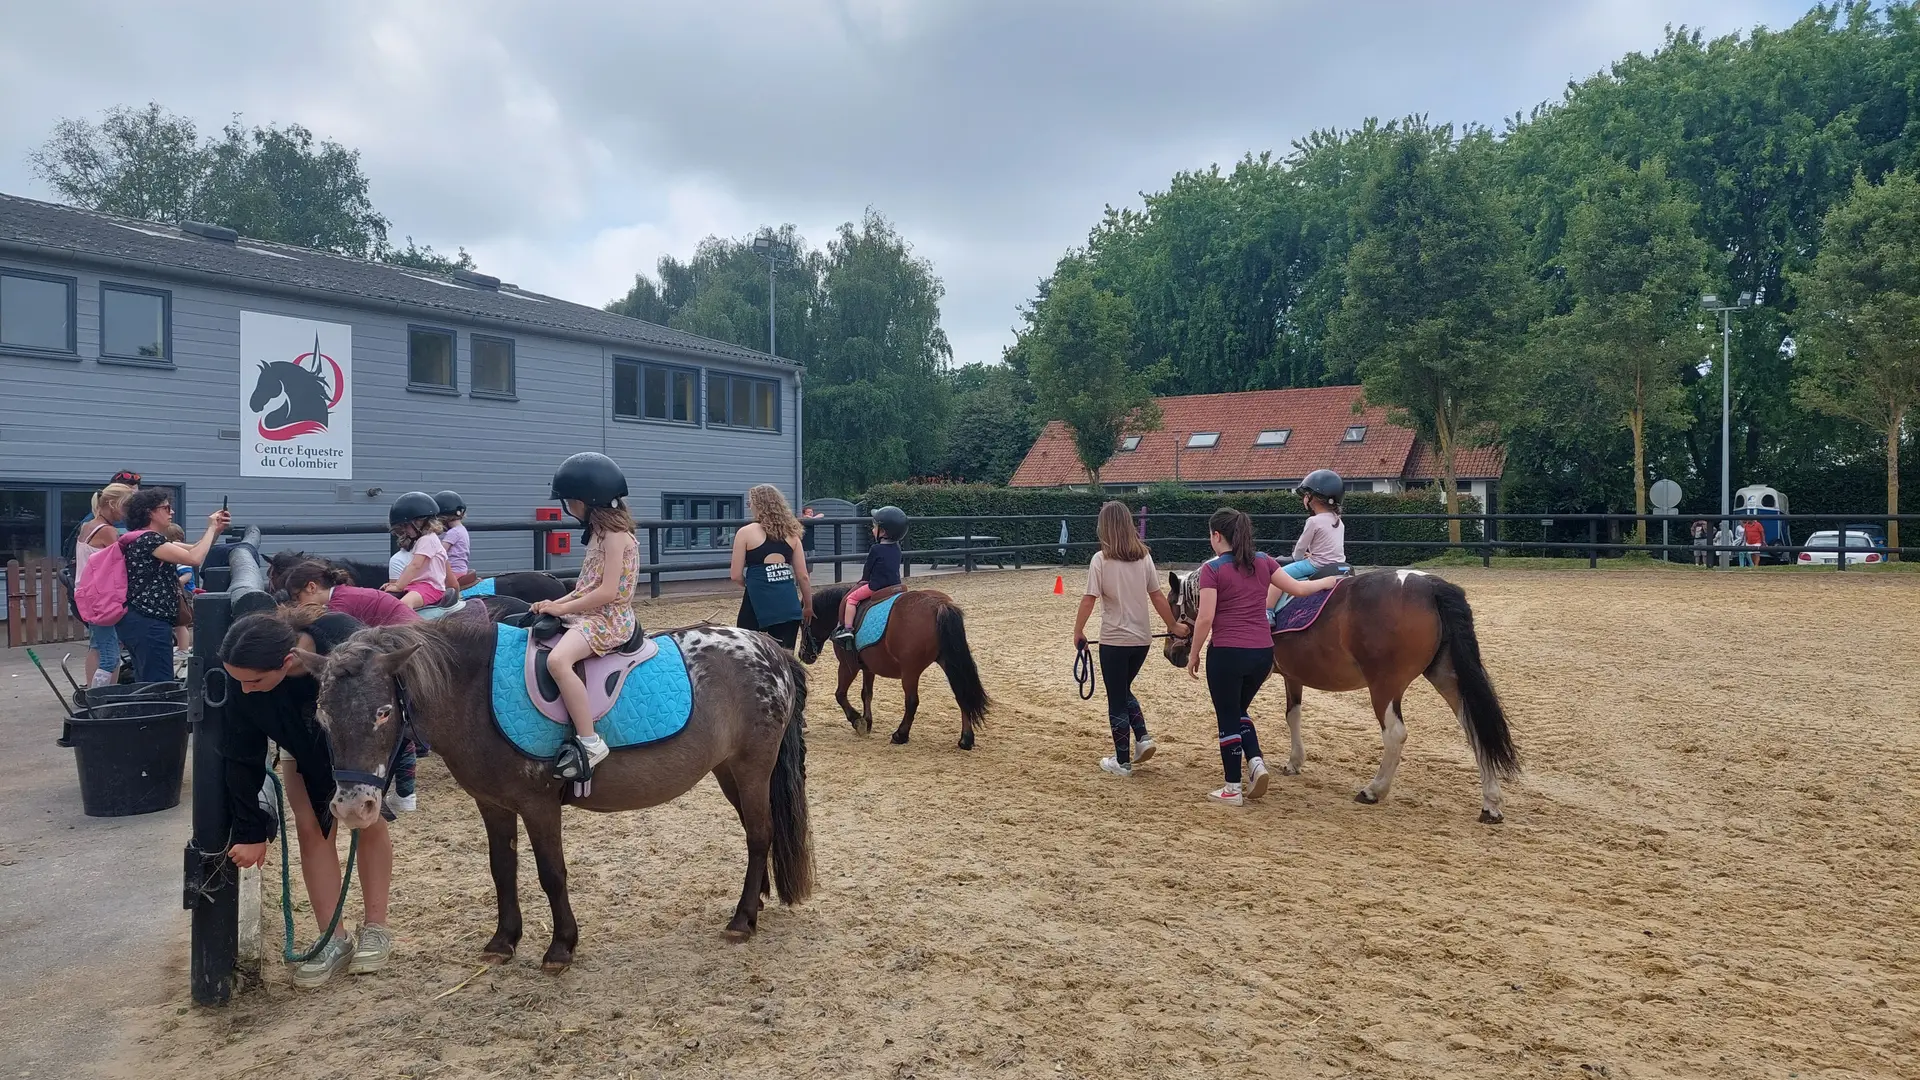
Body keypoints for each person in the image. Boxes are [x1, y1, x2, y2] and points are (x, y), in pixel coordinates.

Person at [219, 610, 398, 988]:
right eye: (239, 681)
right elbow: (241, 754)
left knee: (369, 822)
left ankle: (376, 928)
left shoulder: (345, 640)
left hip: (358, 751)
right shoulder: (244, 683)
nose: (245, 690)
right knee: (310, 829)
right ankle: (332, 938)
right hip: (299, 751)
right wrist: (250, 830)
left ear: (287, 661)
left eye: (253, 681)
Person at [1185, 508, 1338, 806]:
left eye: (1210, 535)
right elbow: (1299, 588)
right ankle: (1255, 763)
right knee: (1239, 710)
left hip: (1228, 653)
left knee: (1228, 717)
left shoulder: (1212, 570)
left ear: (1217, 536)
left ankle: (1232, 787)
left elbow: (1205, 618)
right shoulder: (1264, 562)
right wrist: (1325, 583)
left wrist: (1194, 654)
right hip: (1262, 655)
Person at [533, 452, 643, 780]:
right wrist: (553, 602)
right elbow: (585, 588)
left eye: (571, 501)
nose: (569, 508)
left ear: (587, 501)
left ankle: (590, 740)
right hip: (590, 613)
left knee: (557, 662)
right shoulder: (596, 534)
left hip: (609, 620)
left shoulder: (614, 537)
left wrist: (563, 609)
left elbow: (608, 592)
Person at [1072, 501, 1187, 778]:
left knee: (1116, 697)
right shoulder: (1144, 558)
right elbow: (1158, 596)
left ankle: (1122, 761)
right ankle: (1143, 737)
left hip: (1115, 639)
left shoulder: (1100, 560)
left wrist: (1078, 631)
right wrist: (1172, 625)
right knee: (1123, 689)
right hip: (1142, 640)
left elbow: (1089, 599)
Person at [117, 488, 228, 683]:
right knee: (158, 683)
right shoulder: (148, 540)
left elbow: (196, 548)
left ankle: (148, 709)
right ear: (150, 512)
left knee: (148, 680)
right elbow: (194, 558)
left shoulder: (142, 538)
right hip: (148, 621)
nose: (172, 512)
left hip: (140, 620)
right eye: (167, 508)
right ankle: (157, 712)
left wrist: (215, 530)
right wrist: (210, 527)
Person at [731, 484, 811, 650]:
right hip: (789, 606)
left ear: (759, 504)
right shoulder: (793, 534)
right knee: (786, 661)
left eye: (750, 502)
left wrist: (753, 582)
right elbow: (803, 576)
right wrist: (809, 606)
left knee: (751, 657)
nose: (749, 506)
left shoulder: (745, 532)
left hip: (756, 606)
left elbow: (736, 575)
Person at [73, 482, 135, 687]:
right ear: (112, 503)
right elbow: (126, 560)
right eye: (125, 506)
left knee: (97, 645)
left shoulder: (87, 526)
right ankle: (102, 697)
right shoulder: (108, 531)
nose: (126, 513)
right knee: (111, 657)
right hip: (102, 597)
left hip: (86, 593)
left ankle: (91, 690)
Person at [1269, 468, 1348, 612]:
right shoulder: (1338, 521)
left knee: (1277, 577)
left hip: (1317, 565)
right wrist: (1312, 554)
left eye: (1306, 494)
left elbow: (1300, 547)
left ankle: (1267, 612)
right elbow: (1329, 547)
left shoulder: (1314, 521)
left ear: (1313, 498)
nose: (1304, 498)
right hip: (1339, 564)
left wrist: (1296, 558)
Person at [831, 506, 907, 646]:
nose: (873, 529)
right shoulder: (897, 547)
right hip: (896, 585)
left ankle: (847, 628)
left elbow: (868, 568)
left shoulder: (876, 549)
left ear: (883, 531)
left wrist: (863, 580)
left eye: (875, 526)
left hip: (876, 586)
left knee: (851, 599)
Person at [284, 560, 422, 627]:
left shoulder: (338, 607)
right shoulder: (342, 594)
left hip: (407, 634)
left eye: (297, 597)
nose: (299, 605)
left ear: (311, 587)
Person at [383, 492, 454, 610]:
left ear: (420, 522)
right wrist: (395, 584)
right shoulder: (424, 540)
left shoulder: (427, 540)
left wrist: (399, 586)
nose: (404, 530)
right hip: (418, 585)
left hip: (431, 587)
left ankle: (413, 627)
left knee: (404, 605)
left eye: (406, 526)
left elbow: (415, 565)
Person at [434, 490, 477, 590]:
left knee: (433, 587)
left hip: (453, 572)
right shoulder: (462, 530)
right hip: (461, 570)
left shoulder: (453, 533)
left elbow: (440, 552)